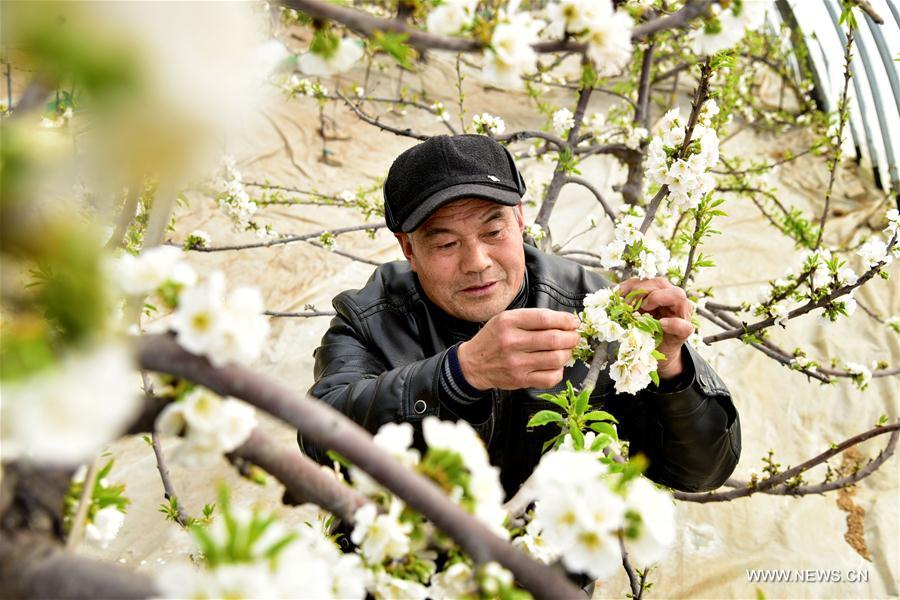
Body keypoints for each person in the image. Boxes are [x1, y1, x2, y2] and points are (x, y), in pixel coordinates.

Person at [299, 134, 740, 499]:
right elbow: (320, 437)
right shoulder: (368, 318)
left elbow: (701, 473)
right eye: (447, 243)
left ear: (521, 220)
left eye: (493, 231)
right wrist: (459, 374)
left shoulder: (593, 306)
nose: (478, 262)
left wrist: (672, 372)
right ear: (408, 248)